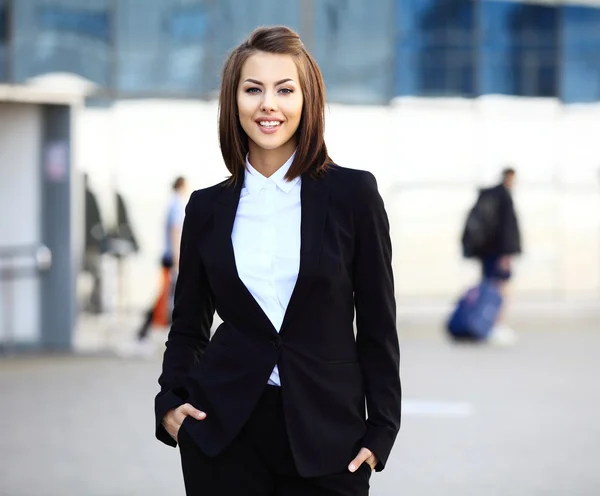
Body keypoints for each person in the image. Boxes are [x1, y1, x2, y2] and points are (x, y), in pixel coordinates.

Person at [154, 26, 401, 496]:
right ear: (234, 102)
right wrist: (170, 405)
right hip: (223, 434)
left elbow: (377, 324)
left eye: (285, 90)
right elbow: (188, 326)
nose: (269, 104)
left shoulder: (353, 195)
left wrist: (382, 429)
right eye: (253, 89)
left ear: (307, 101)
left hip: (330, 439)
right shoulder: (206, 208)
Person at [133, 176, 188, 350]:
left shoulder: (171, 203)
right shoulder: (177, 204)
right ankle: (145, 330)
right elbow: (176, 230)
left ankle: (145, 330)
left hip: (168, 255)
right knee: (171, 294)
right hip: (173, 257)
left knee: (167, 294)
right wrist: (178, 257)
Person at [478, 167, 522, 345]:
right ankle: (496, 325)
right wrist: (506, 253)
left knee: (489, 286)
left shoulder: (490, 196)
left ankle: (486, 324)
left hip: (486, 251)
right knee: (500, 288)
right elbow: (506, 229)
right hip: (499, 252)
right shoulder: (503, 197)